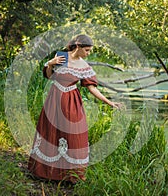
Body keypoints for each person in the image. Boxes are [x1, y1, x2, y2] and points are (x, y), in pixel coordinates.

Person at [28, 34, 121, 184]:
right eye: (87, 50)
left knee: (73, 134)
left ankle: (70, 176)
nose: (88, 53)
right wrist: (50, 64)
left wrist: (109, 102)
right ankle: (44, 172)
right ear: (78, 46)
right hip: (55, 98)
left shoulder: (84, 66)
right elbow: (50, 77)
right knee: (50, 131)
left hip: (71, 101)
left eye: (90, 51)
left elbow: (92, 88)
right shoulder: (62, 57)